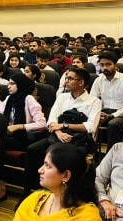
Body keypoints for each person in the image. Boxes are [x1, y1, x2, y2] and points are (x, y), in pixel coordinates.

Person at [23, 66, 101, 196]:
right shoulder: (62, 97)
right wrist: (59, 132)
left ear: (81, 82)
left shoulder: (94, 101)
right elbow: (51, 120)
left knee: (62, 157)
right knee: (33, 149)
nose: (66, 81)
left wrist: (63, 126)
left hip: (79, 140)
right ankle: (30, 191)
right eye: (66, 78)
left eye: (70, 79)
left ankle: (67, 193)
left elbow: (90, 126)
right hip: (57, 136)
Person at [0, 72, 47, 202]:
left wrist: (20, 126)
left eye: (12, 84)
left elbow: (42, 123)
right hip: (10, 136)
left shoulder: (29, 99)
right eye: (8, 83)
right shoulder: (9, 98)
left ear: (20, 85)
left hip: (25, 138)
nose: (8, 86)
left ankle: (1, 185)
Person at [90, 51, 123, 148]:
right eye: (102, 65)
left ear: (115, 65)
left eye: (108, 64)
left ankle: (110, 153)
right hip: (103, 112)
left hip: (121, 114)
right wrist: (98, 113)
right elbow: (92, 100)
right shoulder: (98, 80)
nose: (105, 68)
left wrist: (112, 115)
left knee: (113, 124)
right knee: (88, 119)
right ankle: (91, 152)